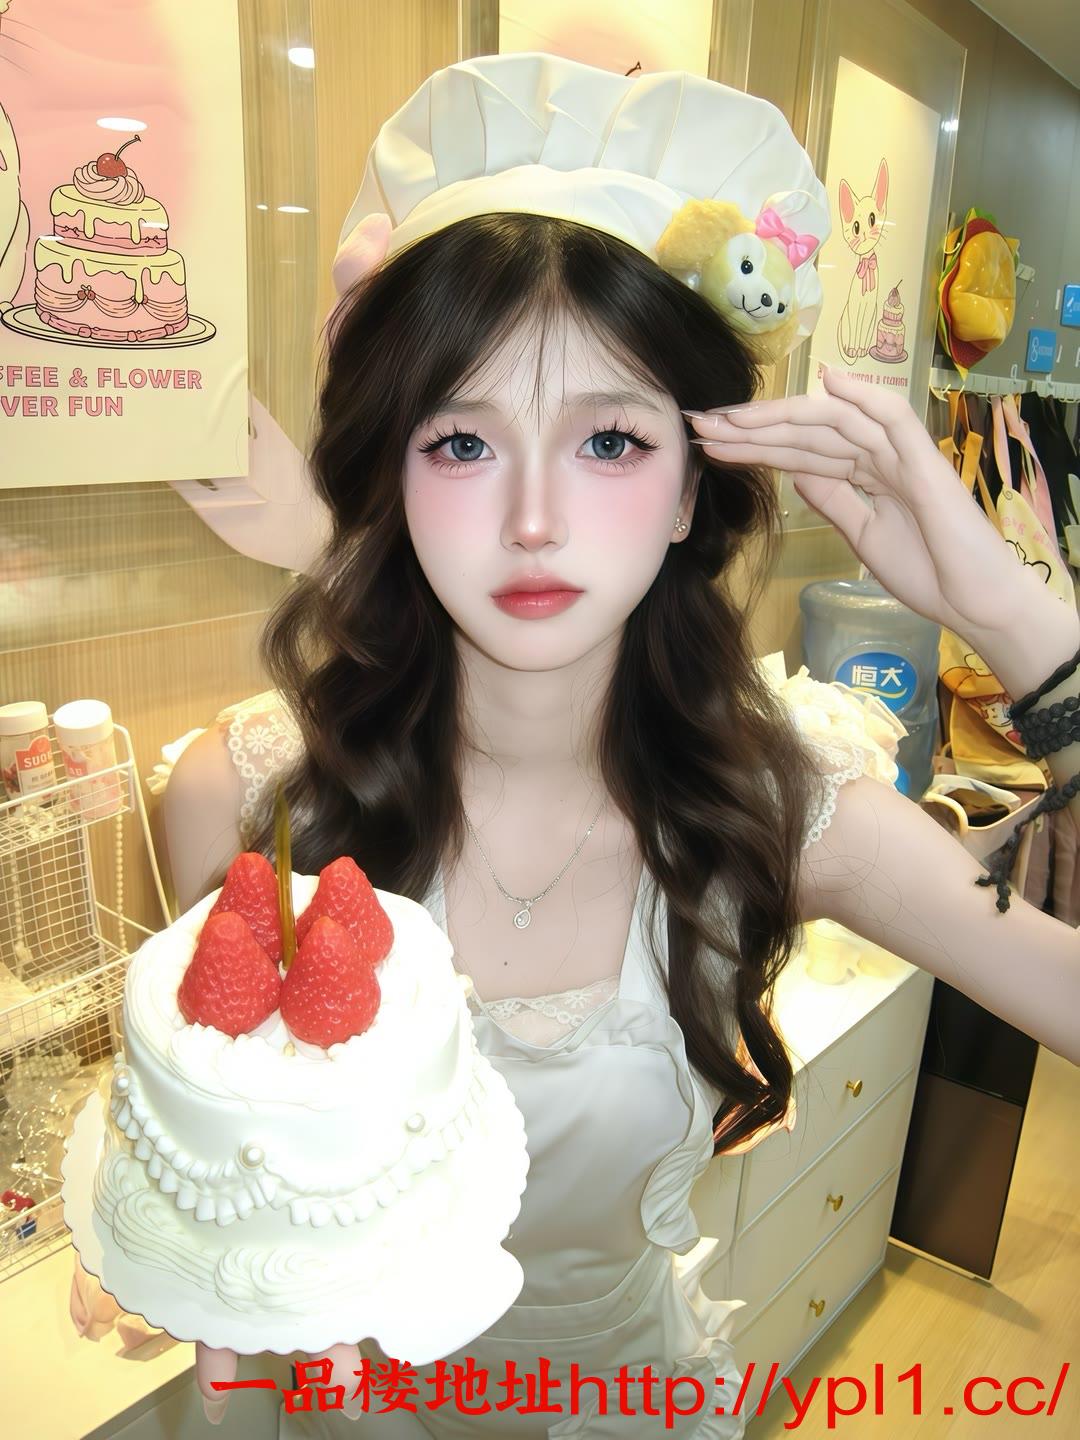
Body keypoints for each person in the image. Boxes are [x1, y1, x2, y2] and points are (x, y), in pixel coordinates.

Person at [83, 53, 1080, 1437]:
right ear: (393, 473)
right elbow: (217, 1207)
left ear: (692, 488)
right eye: (462, 443)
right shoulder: (249, 797)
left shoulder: (773, 803)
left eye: (609, 441)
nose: (535, 520)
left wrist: (1018, 620)